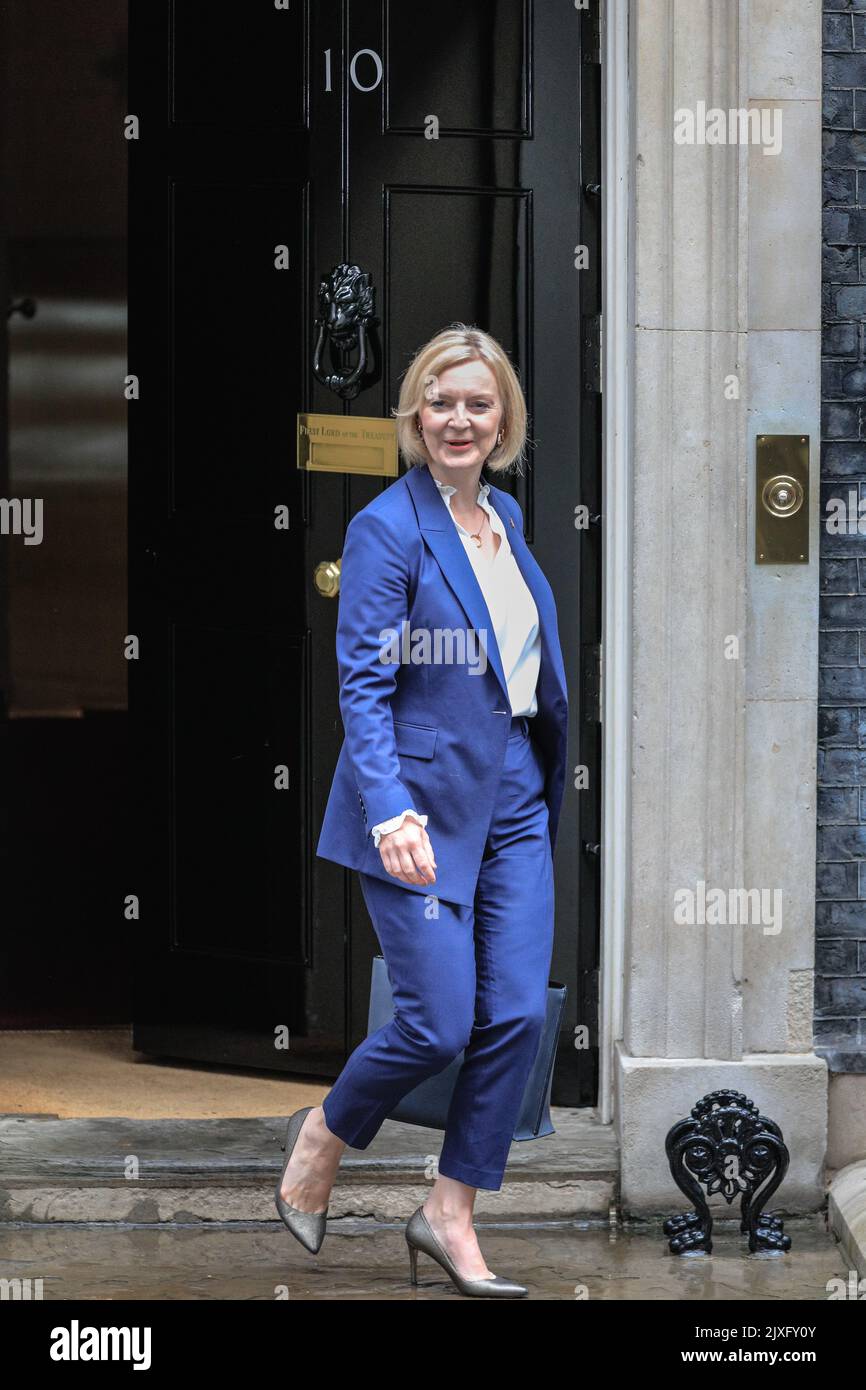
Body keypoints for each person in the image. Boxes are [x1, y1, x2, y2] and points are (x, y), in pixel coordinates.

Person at [275, 323, 568, 1297]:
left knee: (517, 1013)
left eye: (477, 403)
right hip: (417, 809)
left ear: (502, 419)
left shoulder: (509, 519)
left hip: (514, 804)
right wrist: (391, 808)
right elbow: (360, 686)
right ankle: (326, 1132)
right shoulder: (386, 528)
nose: (458, 419)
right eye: (440, 401)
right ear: (413, 413)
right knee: (439, 1020)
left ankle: (448, 1211)